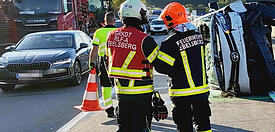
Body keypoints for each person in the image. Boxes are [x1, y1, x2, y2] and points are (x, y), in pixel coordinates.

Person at [105, 0, 167, 131]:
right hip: (141, 95)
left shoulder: (111, 36)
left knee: (124, 128)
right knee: (142, 128)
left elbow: (108, 60)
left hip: (121, 94)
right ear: (137, 14)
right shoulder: (144, 39)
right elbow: (161, 65)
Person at [153, 2, 212, 132]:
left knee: (184, 127)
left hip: (181, 93)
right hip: (202, 92)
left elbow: (161, 68)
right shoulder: (198, 36)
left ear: (169, 21)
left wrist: (153, 57)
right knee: (204, 125)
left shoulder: (169, 43)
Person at [89, 12, 117, 118]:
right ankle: (123, 108)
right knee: (119, 85)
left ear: (104, 21)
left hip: (103, 62)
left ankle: (109, 109)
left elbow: (94, 50)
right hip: (117, 61)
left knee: (106, 86)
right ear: (114, 21)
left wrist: (92, 64)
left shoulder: (99, 32)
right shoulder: (118, 31)